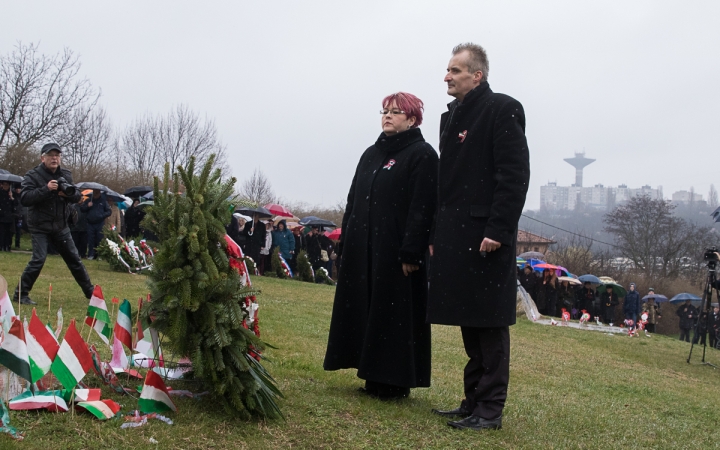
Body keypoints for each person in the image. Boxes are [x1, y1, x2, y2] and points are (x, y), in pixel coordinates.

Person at [428, 43, 530, 431]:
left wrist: (499, 230)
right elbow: (448, 185)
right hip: (456, 234)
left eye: (455, 70)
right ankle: (472, 400)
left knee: (489, 323)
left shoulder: (502, 108)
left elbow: (513, 175)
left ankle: (490, 409)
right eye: (448, 70)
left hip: (487, 236)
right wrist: (438, 232)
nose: (447, 76)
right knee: (469, 320)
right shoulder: (451, 116)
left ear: (477, 75)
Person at [324, 91, 438, 400]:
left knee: (393, 314)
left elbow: (422, 207)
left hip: (397, 253)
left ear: (412, 119)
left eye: (396, 112)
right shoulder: (371, 154)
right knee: (367, 311)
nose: (387, 116)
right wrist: (345, 243)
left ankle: (393, 380)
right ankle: (371, 373)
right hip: (364, 250)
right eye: (384, 111)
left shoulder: (422, 154)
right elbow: (353, 202)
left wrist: (412, 251)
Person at [13, 143, 94, 304]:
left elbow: (77, 196)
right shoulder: (32, 175)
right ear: (43, 158)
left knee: (75, 259)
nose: (54, 158)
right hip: (39, 225)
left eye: (57, 155)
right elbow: (25, 198)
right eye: (51, 155)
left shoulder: (65, 174)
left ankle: (91, 294)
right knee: (39, 259)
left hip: (60, 225)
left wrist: (67, 194)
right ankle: (20, 294)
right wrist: (46, 189)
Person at [81, 189, 111, 259]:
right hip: (90, 223)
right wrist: (87, 206)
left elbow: (109, 211)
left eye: (97, 193)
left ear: (99, 193)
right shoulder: (89, 200)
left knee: (99, 239)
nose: (95, 194)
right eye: (94, 193)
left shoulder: (103, 201)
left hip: (100, 223)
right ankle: (91, 254)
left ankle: (99, 255)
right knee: (90, 239)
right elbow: (82, 209)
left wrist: (102, 215)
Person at [0, 181, 14, 251]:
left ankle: (7, 246)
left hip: (9, 217)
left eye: (7, 185)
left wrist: (11, 198)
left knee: (8, 233)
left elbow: (15, 205)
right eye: (4, 185)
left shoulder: (11, 193)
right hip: (1, 216)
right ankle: (1, 246)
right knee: (2, 232)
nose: (6, 186)